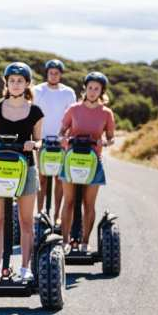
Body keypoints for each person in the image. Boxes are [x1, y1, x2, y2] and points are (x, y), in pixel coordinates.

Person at [0, 62, 44, 283]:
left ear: (27, 84)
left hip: (26, 168)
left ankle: (25, 267)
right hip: (1, 168)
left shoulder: (35, 112)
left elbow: (39, 140)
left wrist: (34, 145)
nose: (16, 84)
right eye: (12, 80)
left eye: (20, 81)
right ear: (6, 83)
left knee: (25, 221)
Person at [59, 71, 116, 253]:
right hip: (72, 160)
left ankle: (85, 242)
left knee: (88, 203)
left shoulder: (106, 113)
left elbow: (111, 138)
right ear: (85, 88)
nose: (92, 91)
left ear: (101, 91)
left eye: (96, 89)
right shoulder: (73, 109)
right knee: (68, 201)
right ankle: (65, 241)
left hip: (93, 162)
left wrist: (104, 142)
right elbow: (61, 132)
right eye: (90, 87)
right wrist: (63, 139)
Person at [33, 59, 77, 219]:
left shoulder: (68, 93)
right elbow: (32, 114)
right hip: (42, 141)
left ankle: (57, 216)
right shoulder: (37, 90)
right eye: (50, 73)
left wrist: (67, 137)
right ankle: (40, 214)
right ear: (47, 73)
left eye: (56, 73)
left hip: (61, 142)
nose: (53, 75)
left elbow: (72, 118)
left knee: (59, 179)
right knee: (42, 178)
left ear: (60, 74)